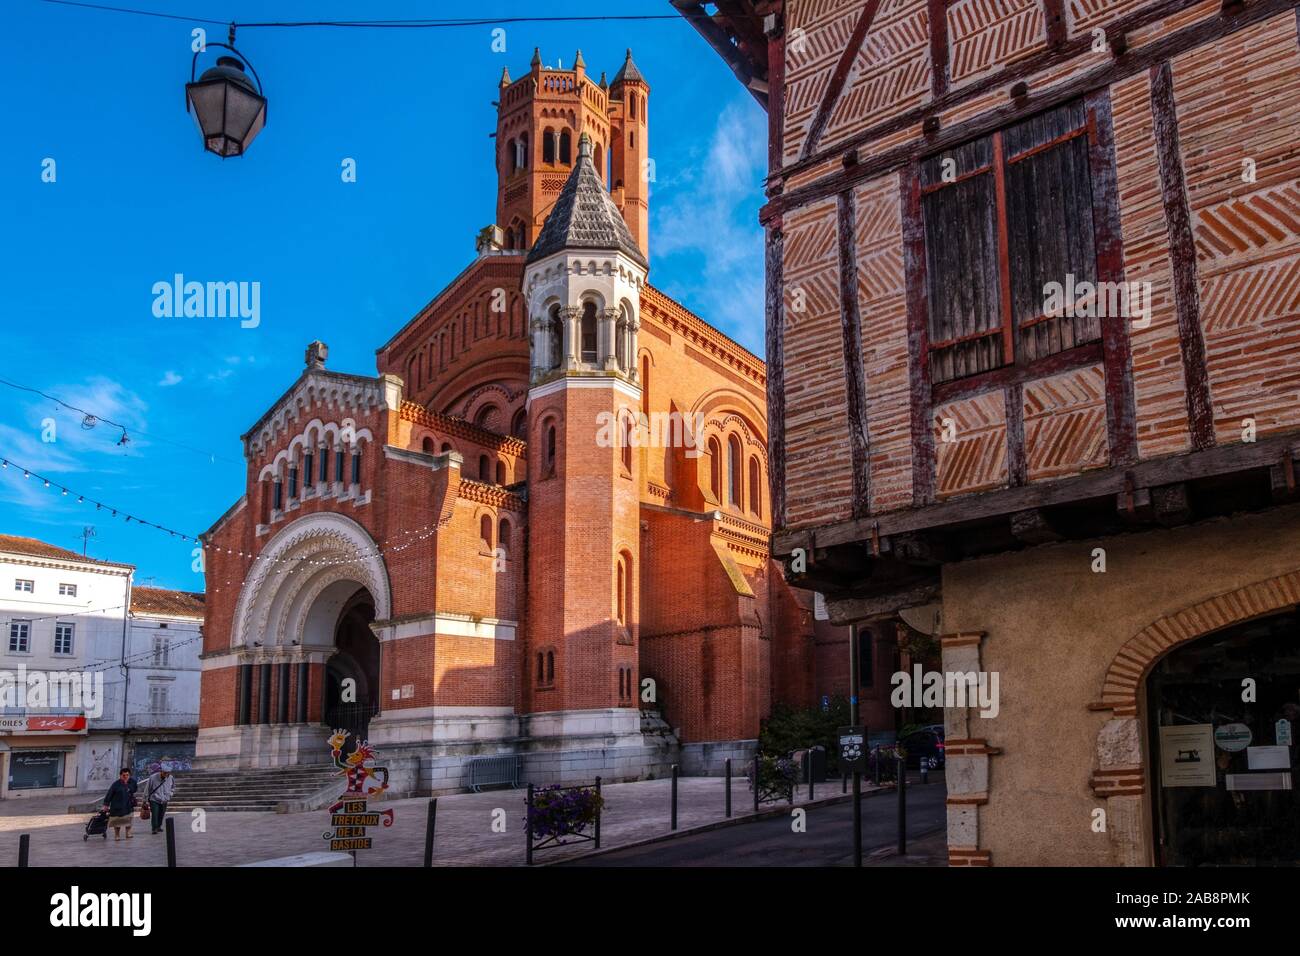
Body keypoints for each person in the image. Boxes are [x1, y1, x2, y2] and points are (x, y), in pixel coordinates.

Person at [101, 768, 138, 841]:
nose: (126, 777)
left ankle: (128, 833)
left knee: (128, 819)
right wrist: (106, 804)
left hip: (128, 805)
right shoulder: (116, 784)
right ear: (120, 776)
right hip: (117, 805)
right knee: (117, 821)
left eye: (127, 775)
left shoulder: (132, 782)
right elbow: (109, 794)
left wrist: (128, 785)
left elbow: (134, 789)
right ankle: (117, 835)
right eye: (124, 775)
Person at [143, 768, 175, 834]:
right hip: (154, 799)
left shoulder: (171, 778)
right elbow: (147, 788)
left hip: (165, 799)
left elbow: (173, 787)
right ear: (161, 771)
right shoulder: (153, 777)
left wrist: (170, 794)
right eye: (165, 773)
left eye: (168, 773)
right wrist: (144, 800)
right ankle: (154, 828)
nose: (166, 774)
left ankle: (159, 826)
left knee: (161, 813)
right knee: (155, 813)